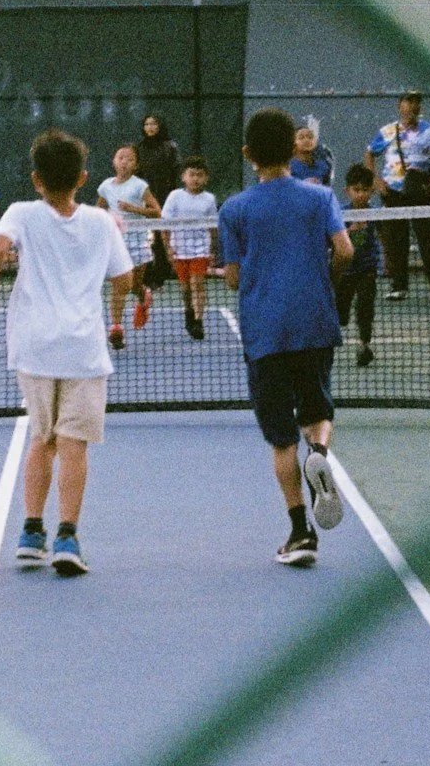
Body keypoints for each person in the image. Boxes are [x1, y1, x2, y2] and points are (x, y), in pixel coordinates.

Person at [0, 129, 133, 578]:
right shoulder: (102, 221)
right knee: (74, 444)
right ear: (83, 177)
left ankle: (31, 532)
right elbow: (123, 277)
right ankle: (67, 537)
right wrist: (115, 314)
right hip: (83, 349)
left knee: (42, 438)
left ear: (36, 179)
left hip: (34, 347)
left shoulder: (21, 212)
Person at [220, 107, 354, 569]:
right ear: (292, 152)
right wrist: (323, 279)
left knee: (281, 442)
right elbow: (345, 251)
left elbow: (234, 278)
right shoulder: (319, 199)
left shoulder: (234, 209)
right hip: (315, 322)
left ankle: (301, 532)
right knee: (317, 412)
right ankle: (319, 451)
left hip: (265, 332)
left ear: (247, 155)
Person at [366, 92, 430, 302]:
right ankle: (399, 287)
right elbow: (370, 153)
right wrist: (376, 180)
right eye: (409, 101)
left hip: (421, 191)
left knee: (429, 241)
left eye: (417, 102)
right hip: (394, 193)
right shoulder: (388, 131)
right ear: (400, 105)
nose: (413, 106)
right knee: (396, 241)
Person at [96, 144, 161, 345]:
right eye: (120, 158)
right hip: (116, 243)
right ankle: (116, 328)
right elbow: (99, 209)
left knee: (133, 285)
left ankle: (143, 295)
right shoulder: (106, 186)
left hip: (138, 242)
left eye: (129, 159)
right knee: (119, 285)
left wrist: (132, 208)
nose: (124, 162)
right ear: (114, 161)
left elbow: (157, 211)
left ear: (136, 165)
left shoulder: (140, 186)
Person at [160, 157, 220, 339]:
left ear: (206, 178)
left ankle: (198, 321)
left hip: (200, 249)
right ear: (183, 177)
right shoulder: (175, 196)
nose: (195, 179)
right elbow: (164, 226)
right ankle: (189, 312)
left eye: (200, 175)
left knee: (197, 284)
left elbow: (213, 227)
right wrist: (168, 249)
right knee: (185, 288)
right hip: (179, 250)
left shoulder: (209, 199)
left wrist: (213, 249)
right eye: (192, 175)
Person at [335, 163, 384, 367]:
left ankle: (364, 346)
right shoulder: (339, 212)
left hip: (367, 268)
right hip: (345, 270)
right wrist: (351, 230)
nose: (361, 194)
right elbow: (332, 240)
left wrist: (386, 262)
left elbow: (383, 236)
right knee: (341, 314)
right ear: (348, 191)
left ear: (371, 191)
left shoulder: (376, 213)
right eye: (357, 190)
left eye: (365, 190)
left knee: (365, 306)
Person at [133, 114, 183, 309]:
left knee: (165, 237)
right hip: (146, 198)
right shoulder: (140, 148)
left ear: (160, 126)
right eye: (147, 124)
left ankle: (163, 275)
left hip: (166, 196)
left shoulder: (170, 147)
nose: (150, 127)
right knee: (149, 239)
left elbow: (176, 172)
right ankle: (149, 277)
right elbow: (137, 173)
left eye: (154, 123)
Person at [290, 116, 335, 188]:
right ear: (293, 143)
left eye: (310, 137)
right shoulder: (288, 168)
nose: (306, 140)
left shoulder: (323, 166)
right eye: (301, 138)